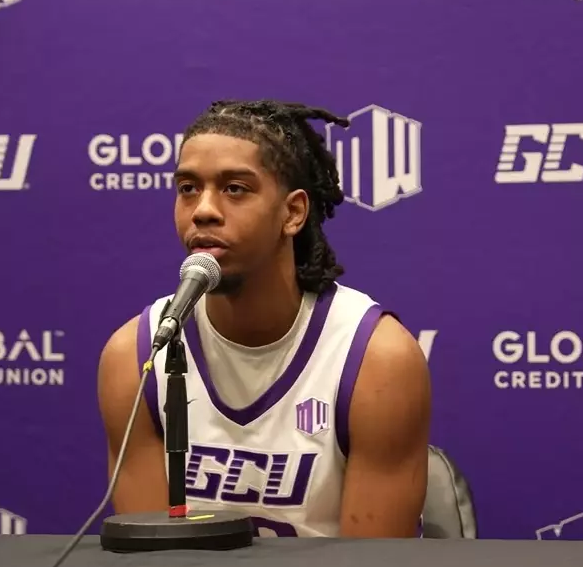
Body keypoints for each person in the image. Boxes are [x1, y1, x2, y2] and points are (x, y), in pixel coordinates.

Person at [97, 99, 431, 538]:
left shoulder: (376, 359)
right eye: (188, 188)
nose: (203, 210)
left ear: (292, 213)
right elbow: (150, 565)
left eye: (235, 189)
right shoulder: (137, 356)